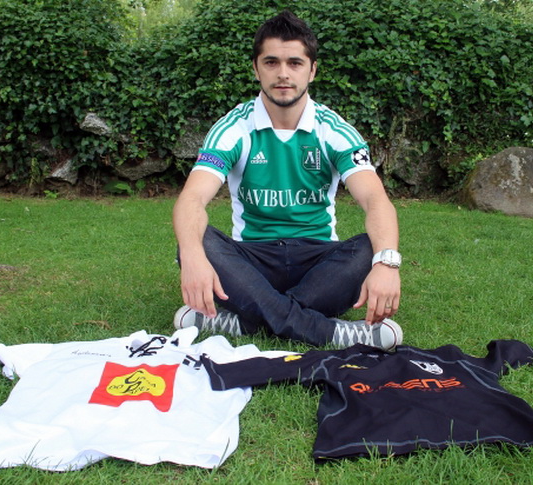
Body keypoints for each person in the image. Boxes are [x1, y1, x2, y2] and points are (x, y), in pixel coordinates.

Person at [172, 10, 403, 351]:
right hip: (253, 261)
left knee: (374, 246)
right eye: (271, 62)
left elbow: (375, 200)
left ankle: (245, 321)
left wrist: (386, 263)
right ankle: (330, 332)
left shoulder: (334, 129)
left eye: (295, 63)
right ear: (256, 69)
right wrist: (192, 256)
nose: (283, 74)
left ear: (312, 70)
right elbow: (192, 199)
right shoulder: (234, 128)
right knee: (194, 240)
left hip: (318, 263)